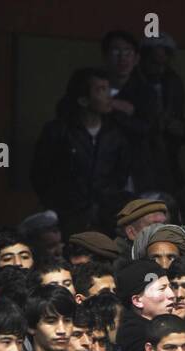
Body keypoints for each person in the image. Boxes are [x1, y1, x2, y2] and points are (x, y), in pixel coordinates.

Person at [31, 68, 131, 235]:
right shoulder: (59, 131)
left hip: (106, 215)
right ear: (83, 100)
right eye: (100, 90)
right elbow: (40, 173)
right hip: (67, 214)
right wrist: (56, 205)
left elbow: (121, 173)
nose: (108, 96)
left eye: (108, 89)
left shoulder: (116, 133)